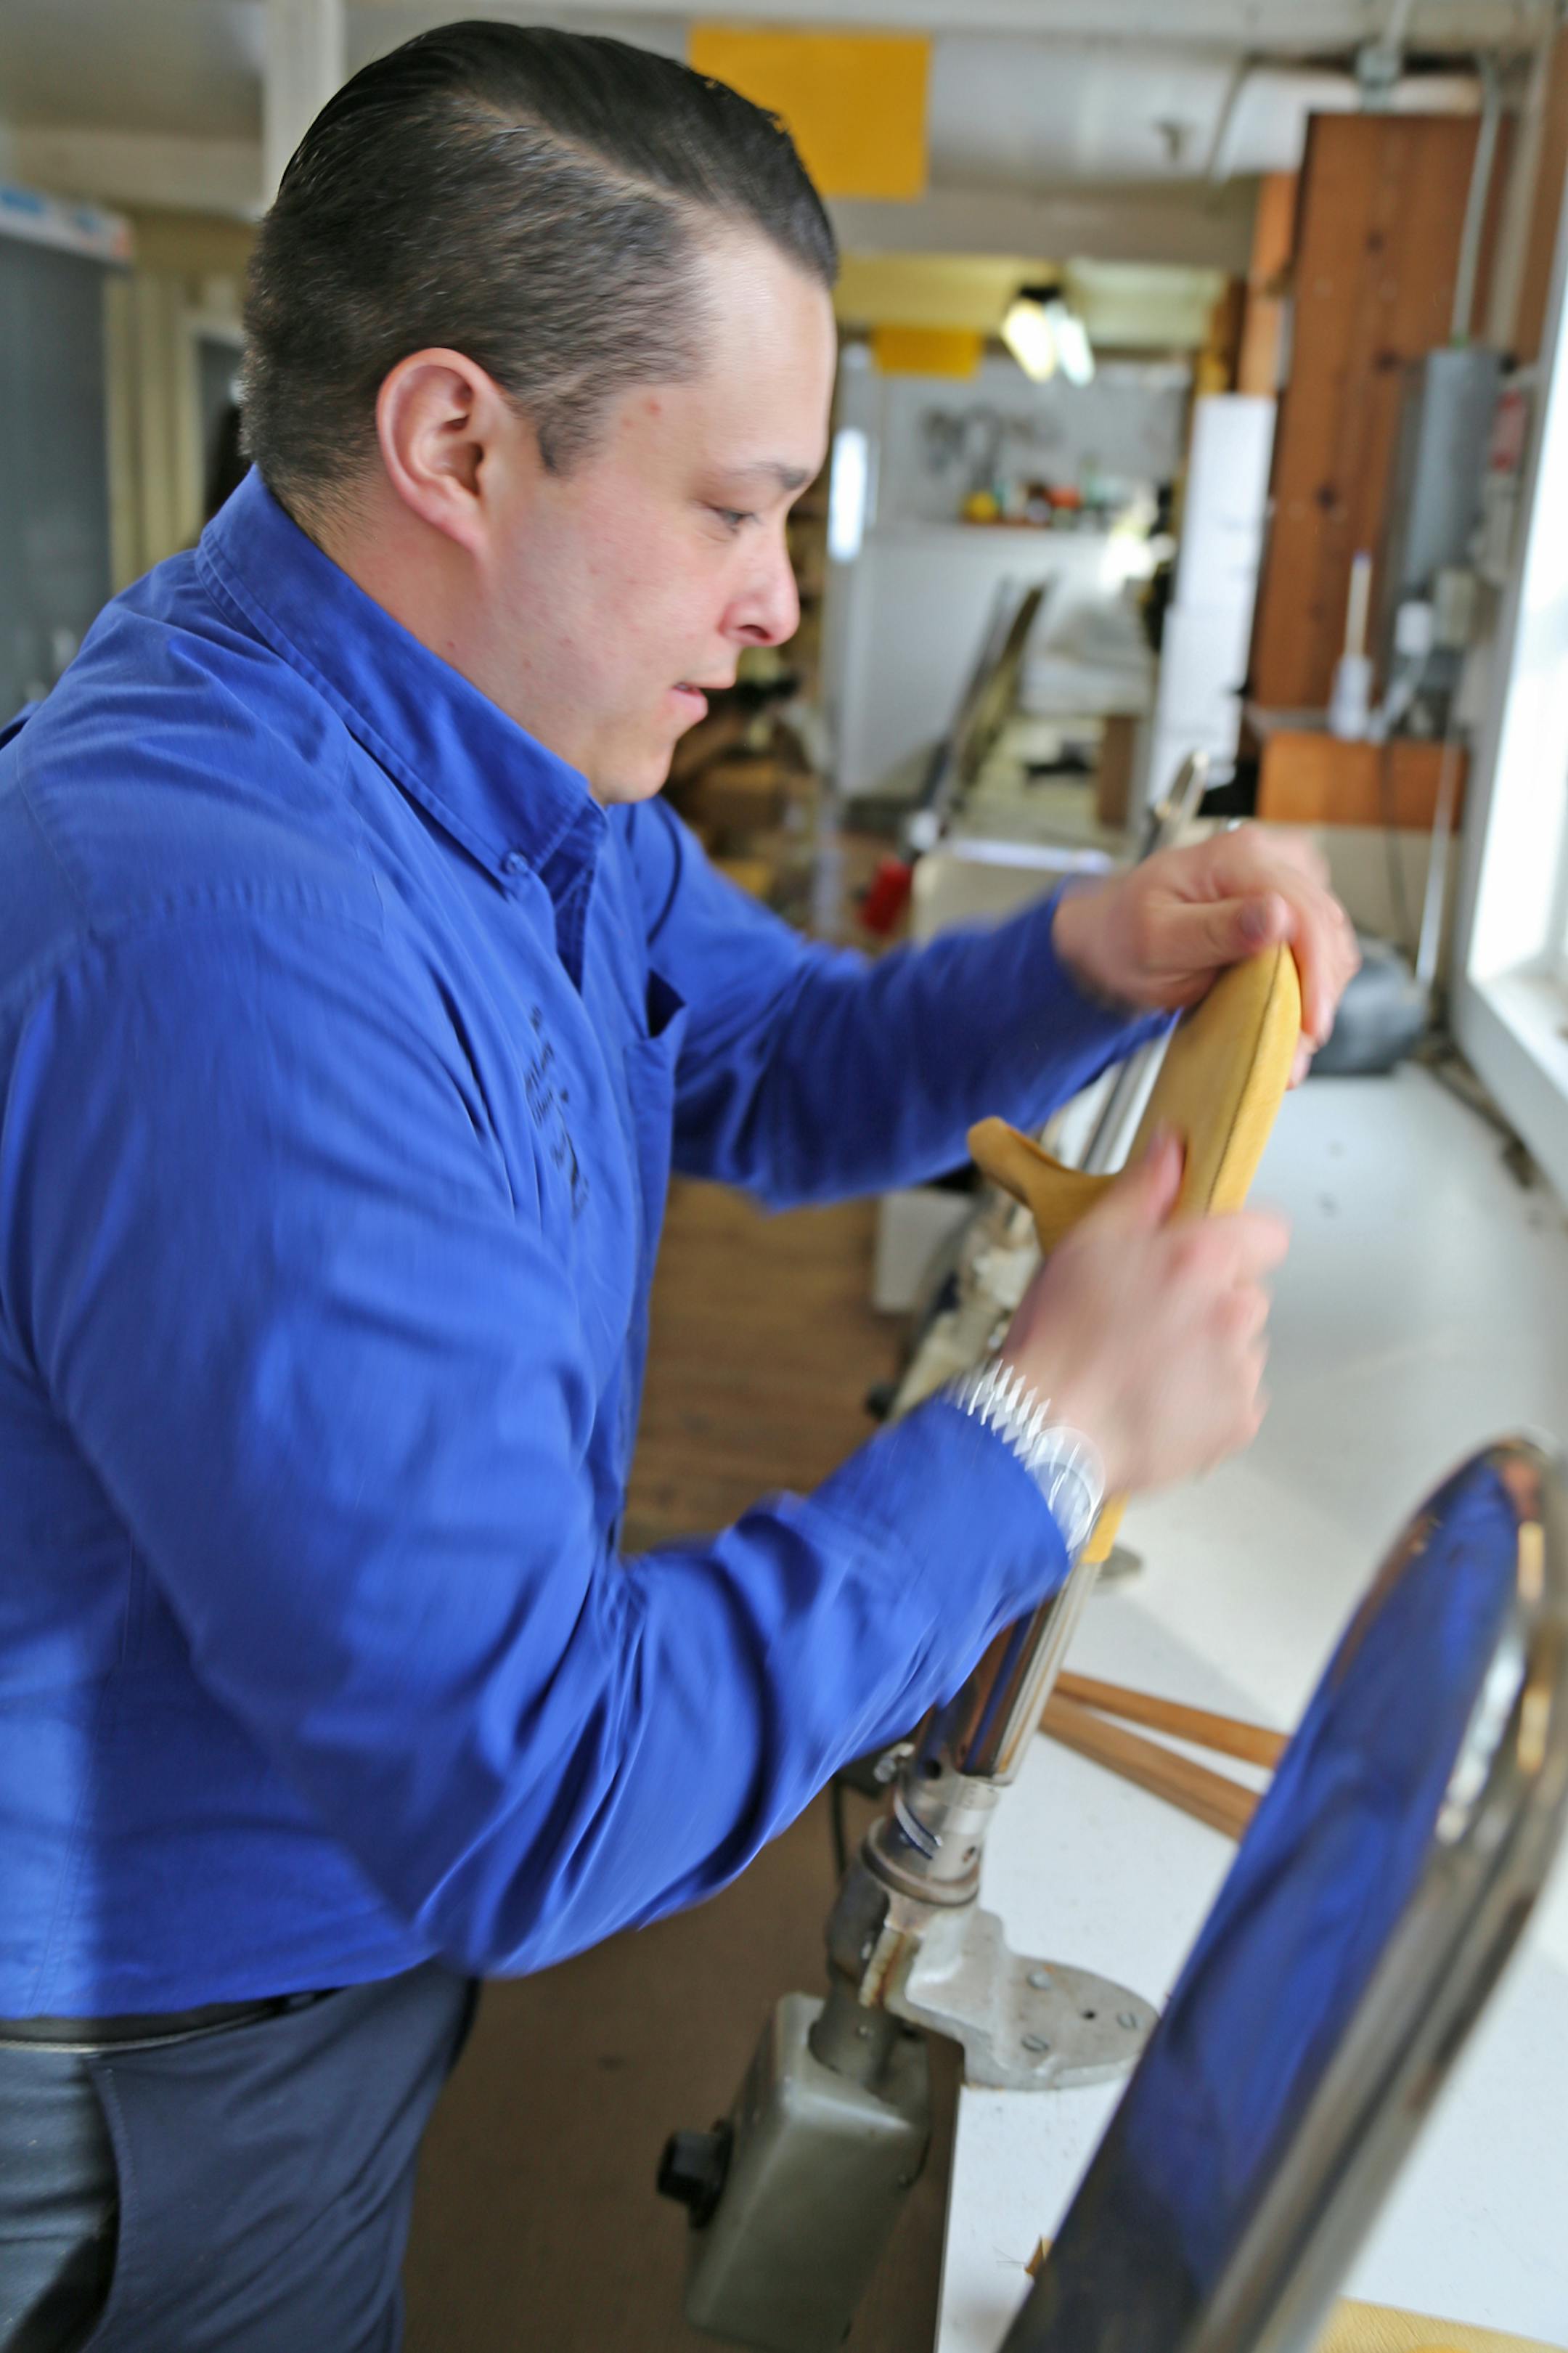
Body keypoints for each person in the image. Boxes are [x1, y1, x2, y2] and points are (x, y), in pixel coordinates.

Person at [0, 23, 1358, 2350]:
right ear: (456, 441)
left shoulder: (506, 780)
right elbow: (527, 1787)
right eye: (732, 508)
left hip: (303, 1960)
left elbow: (765, 1058)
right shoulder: (224, 936)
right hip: (145, 2085)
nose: (780, 606)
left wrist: (1090, 960)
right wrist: (1040, 1437)